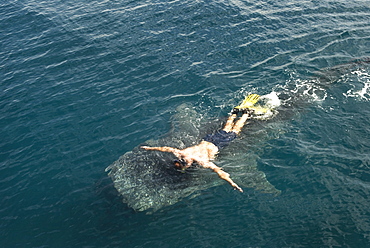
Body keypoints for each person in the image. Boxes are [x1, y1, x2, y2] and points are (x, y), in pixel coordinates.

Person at [141, 94, 261, 193]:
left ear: (186, 164)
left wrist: (232, 183)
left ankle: (246, 113)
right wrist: (150, 148)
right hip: (208, 139)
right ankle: (234, 112)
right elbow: (166, 149)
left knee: (235, 131)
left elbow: (219, 172)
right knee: (225, 128)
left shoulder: (201, 161)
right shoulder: (182, 152)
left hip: (217, 144)